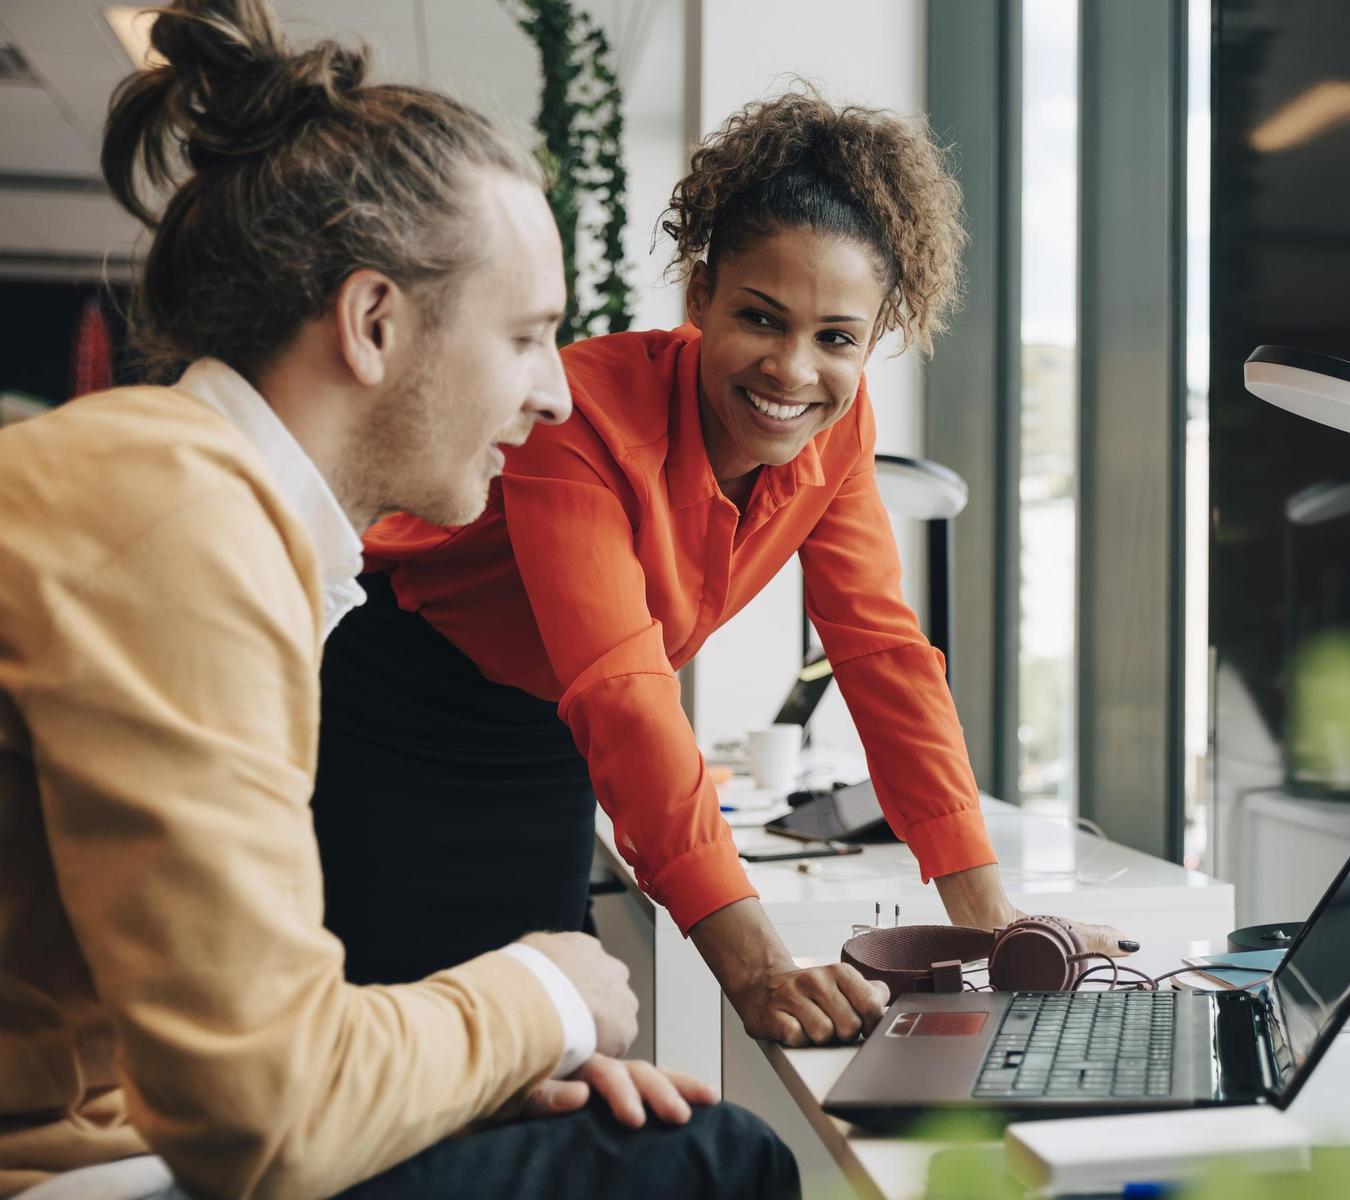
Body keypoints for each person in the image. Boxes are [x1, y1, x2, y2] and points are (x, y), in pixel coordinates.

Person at [0, 3, 795, 1198]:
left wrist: (475, 1066)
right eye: (527, 338)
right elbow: (262, 1116)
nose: (555, 398)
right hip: (76, 1175)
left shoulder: (196, 501)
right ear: (374, 324)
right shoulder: (175, 519)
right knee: (712, 1164)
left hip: (131, 1136)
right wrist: (539, 995)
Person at [311, 91, 1134, 1045]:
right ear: (700, 295)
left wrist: (991, 918)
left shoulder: (841, 428)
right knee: (390, 1036)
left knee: (539, 1046)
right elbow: (622, 686)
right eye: (760, 317)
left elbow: (880, 651)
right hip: (394, 698)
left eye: (836, 338)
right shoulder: (578, 415)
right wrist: (757, 966)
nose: (792, 370)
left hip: (544, 730)